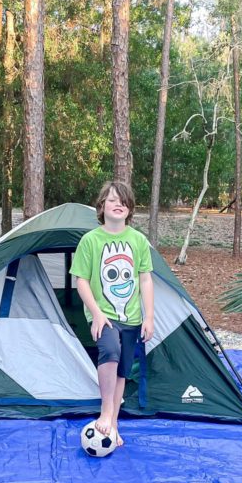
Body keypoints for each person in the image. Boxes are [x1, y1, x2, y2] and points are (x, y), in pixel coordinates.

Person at [70, 180, 154, 447]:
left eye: (124, 201)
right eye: (112, 199)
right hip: (103, 315)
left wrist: (149, 317)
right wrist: (95, 313)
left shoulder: (138, 240)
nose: (118, 204)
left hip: (132, 318)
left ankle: (114, 424)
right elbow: (80, 280)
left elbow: (145, 280)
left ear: (130, 209)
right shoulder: (90, 240)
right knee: (110, 352)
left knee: (123, 371)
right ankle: (106, 412)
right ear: (101, 206)